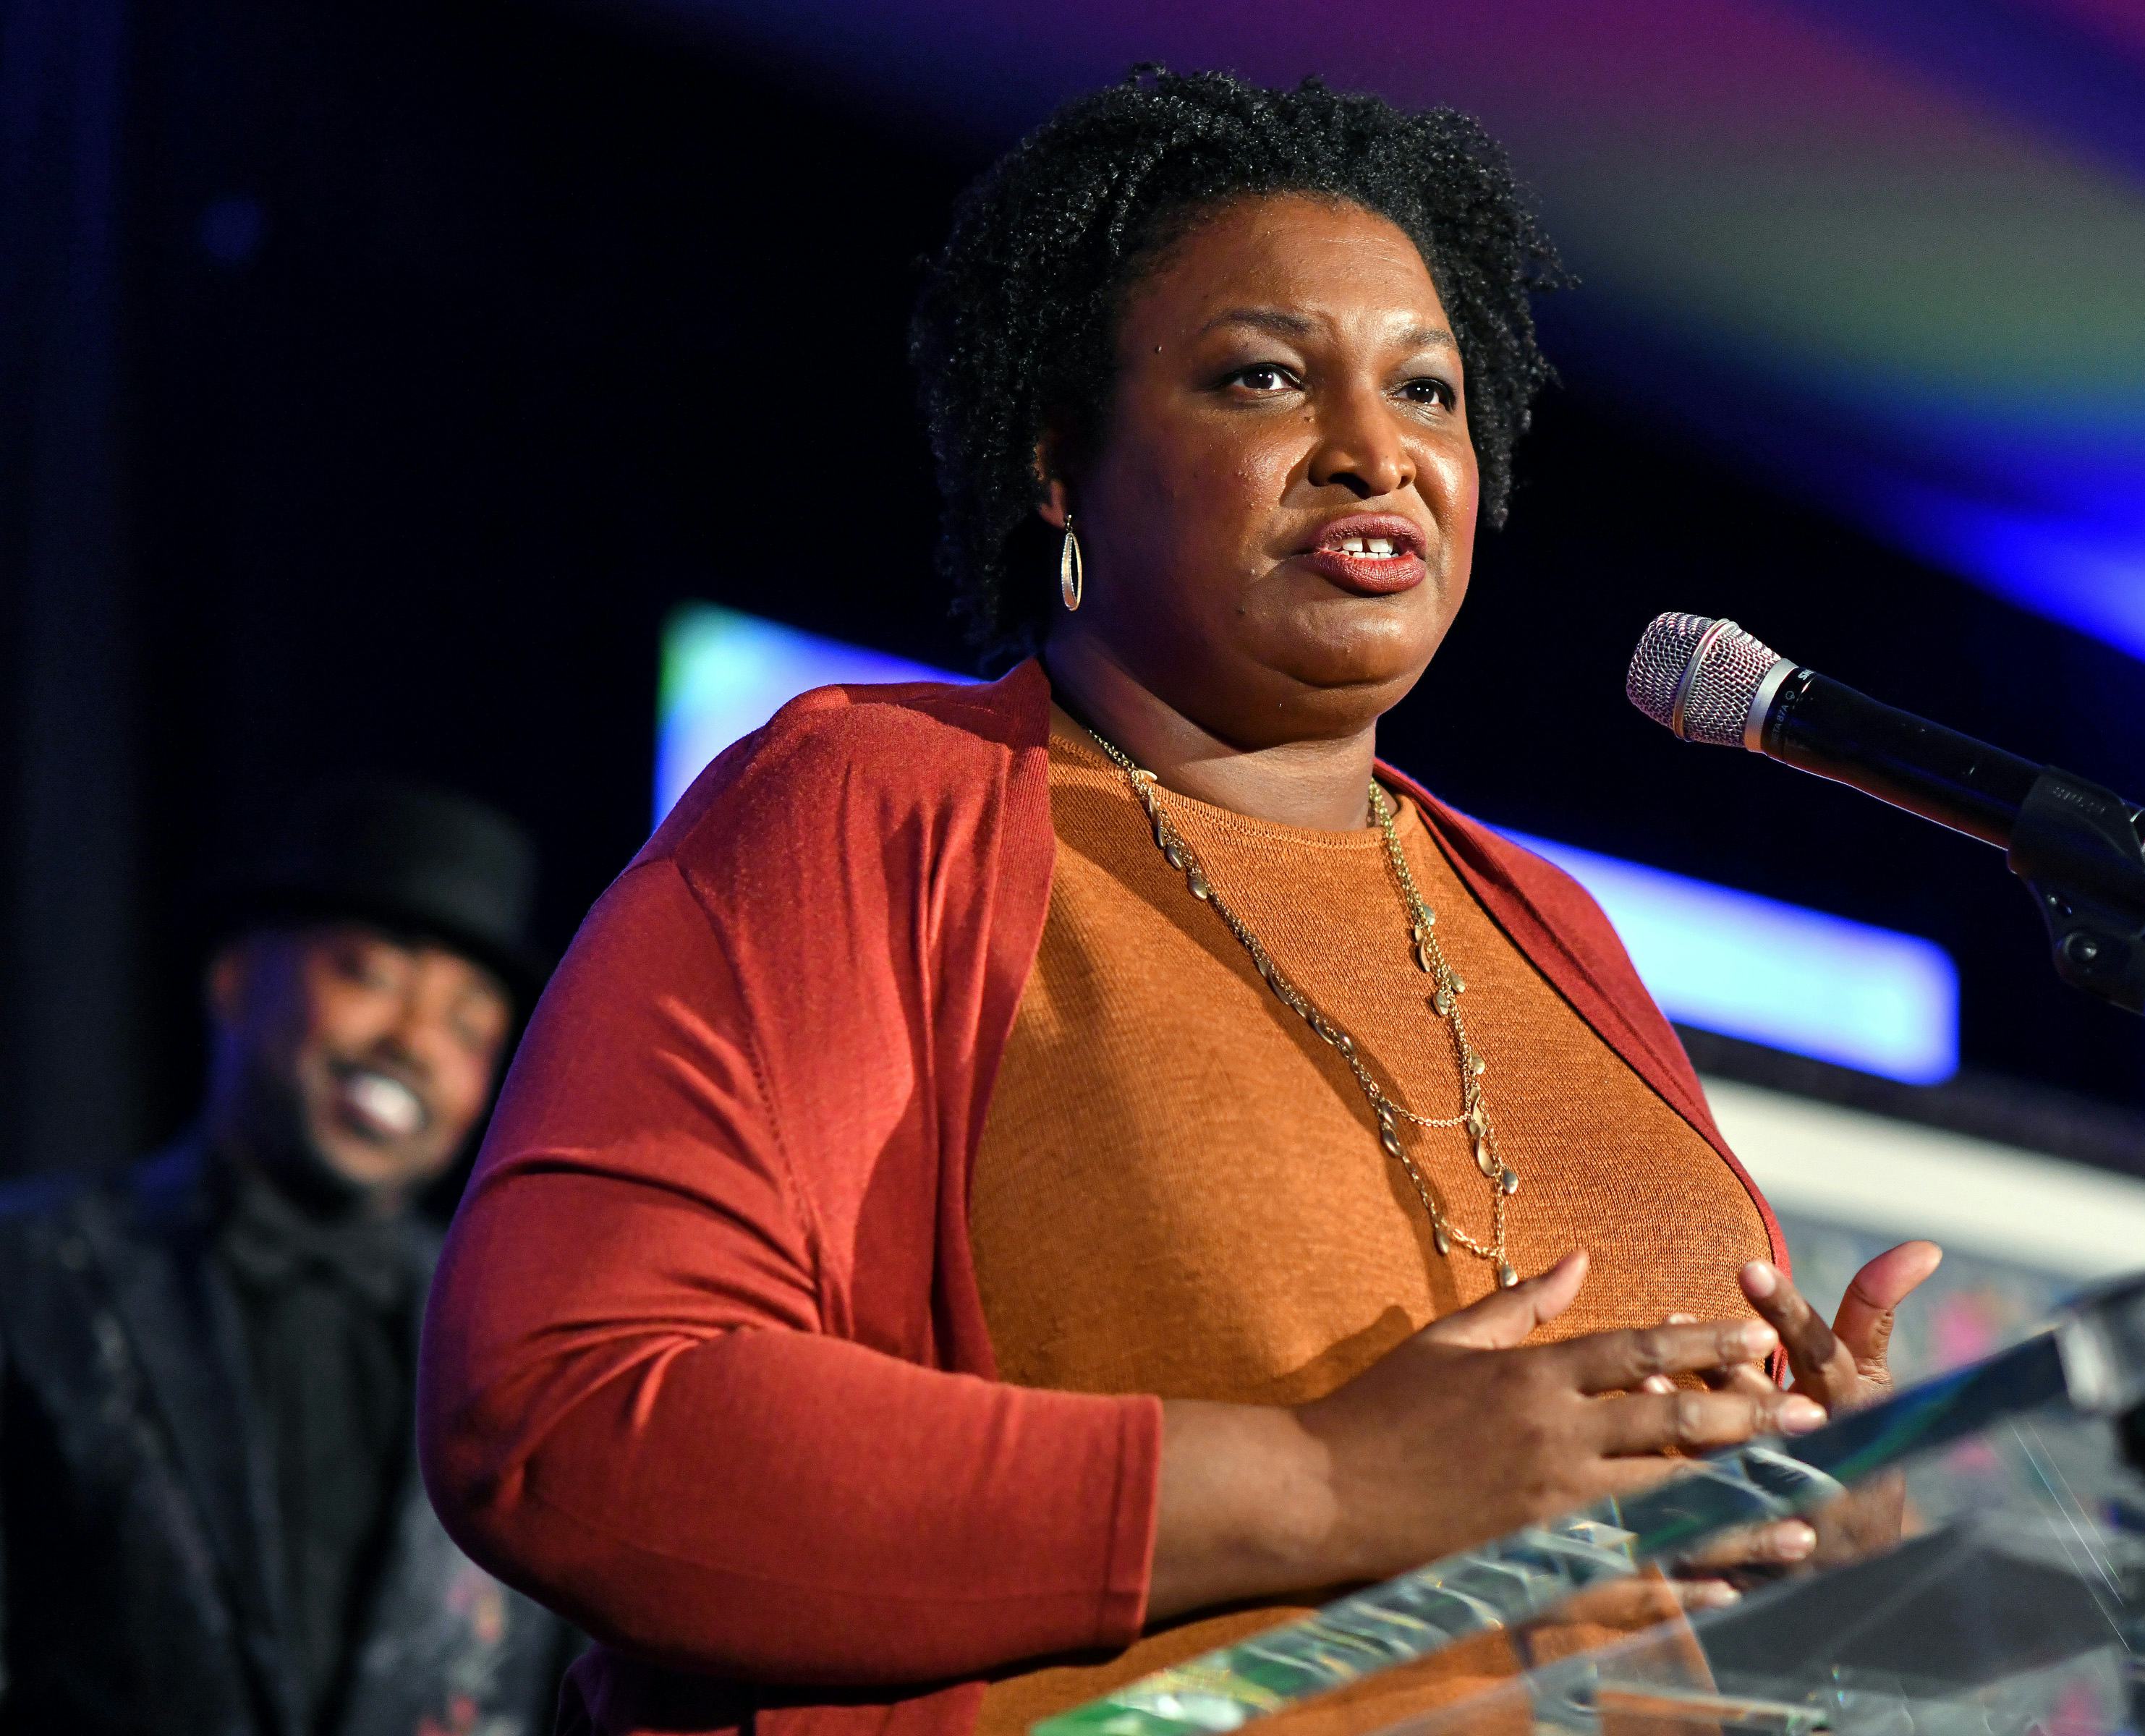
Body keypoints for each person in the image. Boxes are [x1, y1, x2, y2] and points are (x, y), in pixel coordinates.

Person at [421, 69, 1942, 1736]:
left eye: (1427, 392)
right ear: (1062, 461)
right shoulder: (875, 805)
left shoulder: (1550, 929)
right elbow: (569, 1414)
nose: (1376, 453)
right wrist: (1317, 1484)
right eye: (1265, 378)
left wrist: (1836, 1535)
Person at [0, 781, 576, 1735]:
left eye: (468, 1025)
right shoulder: (29, 1272)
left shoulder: (524, 1344)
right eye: (368, 975)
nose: (412, 1044)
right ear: (234, 981)